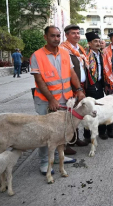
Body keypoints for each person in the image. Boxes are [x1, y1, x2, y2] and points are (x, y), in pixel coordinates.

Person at [30, 26, 80, 175]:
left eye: (58, 36)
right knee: (46, 133)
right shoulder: (37, 56)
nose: (56, 39)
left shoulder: (65, 53)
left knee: (61, 131)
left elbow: (72, 73)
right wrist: (51, 99)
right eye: (53, 36)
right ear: (45, 37)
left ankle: (58, 157)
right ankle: (45, 161)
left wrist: (79, 89)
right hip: (46, 102)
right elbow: (39, 80)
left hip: (65, 100)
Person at [60, 25, 89, 152]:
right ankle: (66, 143)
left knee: (76, 114)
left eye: (78, 33)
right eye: (73, 33)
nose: (77, 35)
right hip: (70, 88)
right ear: (66, 35)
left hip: (81, 87)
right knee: (68, 115)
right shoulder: (63, 49)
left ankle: (75, 138)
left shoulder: (80, 49)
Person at [82, 31, 109, 141]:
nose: (98, 43)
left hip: (100, 84)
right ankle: (87, 135)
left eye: (99, 41)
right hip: (90, 85)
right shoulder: (85, 55)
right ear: (89, 43)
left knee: (100, 108)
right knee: (88, 110)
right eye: (95, 41)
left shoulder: (101, 54)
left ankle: (102, 132)